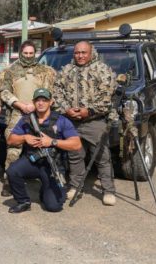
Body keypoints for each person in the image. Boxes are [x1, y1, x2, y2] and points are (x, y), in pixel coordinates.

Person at [52, 41, 117, 206]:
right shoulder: (66, 70)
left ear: (91, 52)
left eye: (83, 52)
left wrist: (90, 111)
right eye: (77, 53)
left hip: (94, 121)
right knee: (75, 155)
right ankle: (75, 186)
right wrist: (67, 109)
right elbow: (57, 92)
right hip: (71, 121)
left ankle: (108, 190)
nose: (80, 56)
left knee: (102, 157)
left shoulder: (102, 70)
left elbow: (107, 96)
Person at [6, 88, 82, 213]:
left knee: (54, 207)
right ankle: (23, 201)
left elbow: (76, 144)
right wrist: (25, 137)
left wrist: (52, 142)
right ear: (33, 102)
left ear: (51, 102)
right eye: (38, 100)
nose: (41, 103)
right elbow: (10, 140)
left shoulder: (61, 120)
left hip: (52, 165)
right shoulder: (27, 119)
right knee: (13, 171)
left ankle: (46, 190)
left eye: (44, 100)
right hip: (32, 161)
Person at [0, 40, 56, 196]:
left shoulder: (45, 71)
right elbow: (4, 92)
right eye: (25, 53)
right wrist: (20, 105)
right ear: (20, 53)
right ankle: (9, 182)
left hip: (39, 114)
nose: (28, 56)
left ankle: (46, 181)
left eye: (31, 53)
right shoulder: (10, 71)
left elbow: (50, 92)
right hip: (17, 114)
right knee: (13, 148)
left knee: (42, 145)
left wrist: (35, 105)